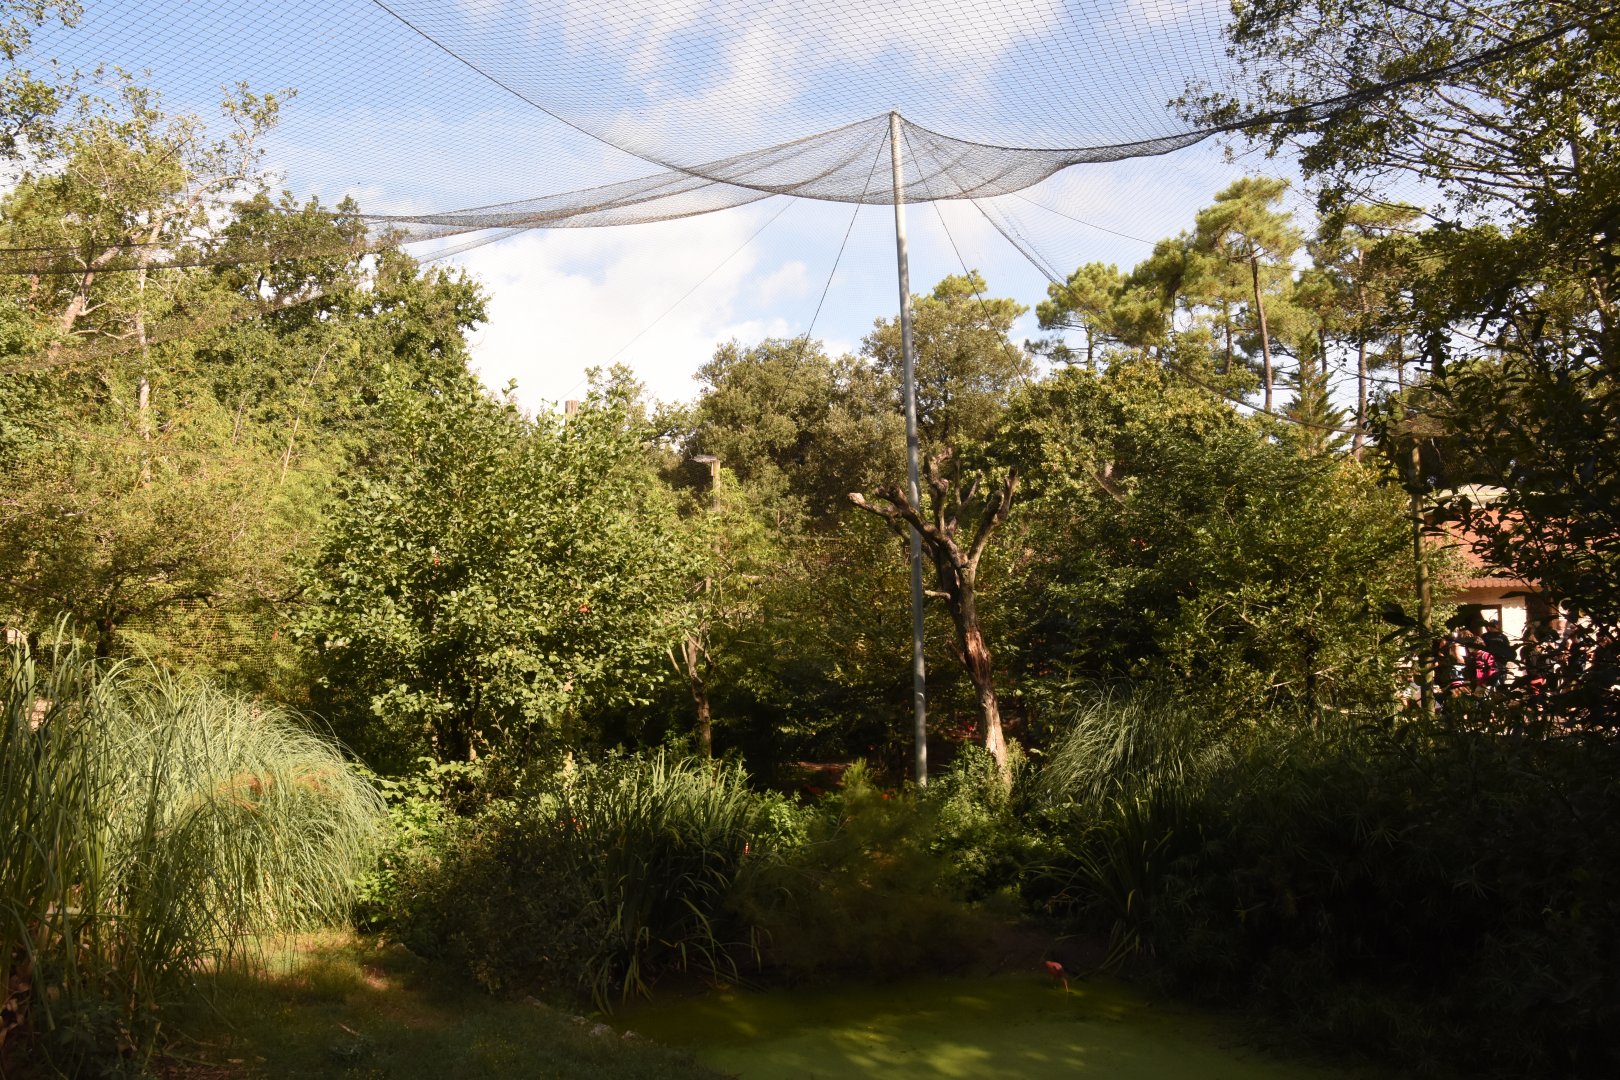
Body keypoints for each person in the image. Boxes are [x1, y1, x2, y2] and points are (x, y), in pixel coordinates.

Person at [1481, 620, 1513, 687]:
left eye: (1493, 625)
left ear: (1497, 626)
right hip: (1488, 660)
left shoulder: (1502, 636)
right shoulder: (1484, 636)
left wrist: (1505, 658)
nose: (1491, 627)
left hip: (1500, 661)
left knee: (1501, 678)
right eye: (1490, 625)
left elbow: (1507, 648)